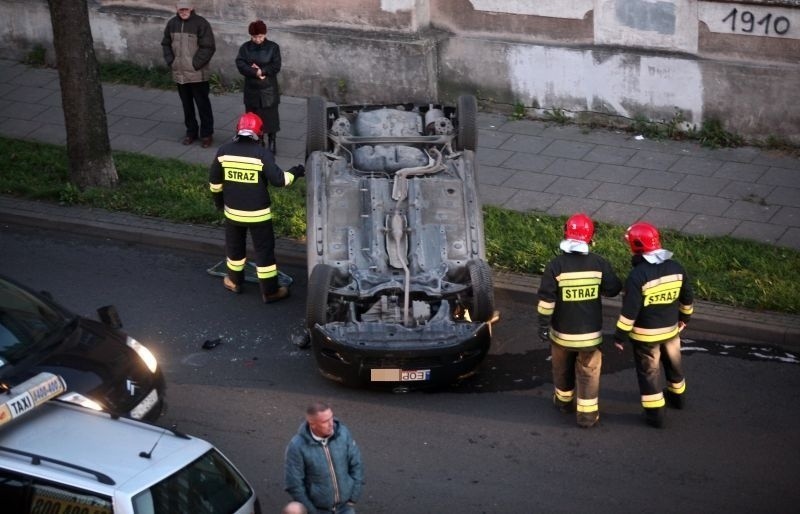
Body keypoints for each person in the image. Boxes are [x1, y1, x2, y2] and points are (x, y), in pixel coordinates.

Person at [208, 112, 304, 303]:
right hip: (258, 215)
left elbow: (214, 183)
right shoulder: (262, 154)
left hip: (233, 213)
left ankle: (234, 282)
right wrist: (296, 171)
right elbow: (280, 180)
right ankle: (270, 292)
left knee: (234, 249)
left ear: (238, 131)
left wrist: (220, 204)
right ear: (259, 134)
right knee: (264, 252)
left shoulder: (223, 151)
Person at [537, 213, 622, 428]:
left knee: (561, 369)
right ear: (591, 238)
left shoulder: (555, 266)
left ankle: (564, 403)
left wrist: (542, 325)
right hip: (590, 337)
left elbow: (547, 301)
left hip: (562, 335)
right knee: (589, 373)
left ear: (565, 234)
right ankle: (587, 416)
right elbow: (613, 289)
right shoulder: (599, 263)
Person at [614, 221, 694, 428]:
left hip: (645, 337)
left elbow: (629, 312)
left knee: (649, 374)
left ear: (636, 246)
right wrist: (685, 319)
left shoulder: (637, 276)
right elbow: (687, 299)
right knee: (674, 365)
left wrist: (620, 336)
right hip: (671, 331)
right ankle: (678, 400)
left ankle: (655, 415)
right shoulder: (677, 268)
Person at [285, 401, 364, 514]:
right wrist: (312, 511)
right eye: (325, 421)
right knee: (293, 509)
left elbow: (356, 464)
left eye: (331, 418)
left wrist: (354, 496)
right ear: (312, 424)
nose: (331, 424)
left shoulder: (343, 433)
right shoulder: (297, 447)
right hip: (318, 510)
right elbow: (294, 484)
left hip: (345, 508)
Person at [162, 2, 216, 148]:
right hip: (179, 74)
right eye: (181, 9)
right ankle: (191, 132)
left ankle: (207, 134)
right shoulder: (172, 23)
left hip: (197, 74)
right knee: (187, 105)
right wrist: (171, 61)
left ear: (192, 8)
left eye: (186, 9)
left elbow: (208, 47)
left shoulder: (201, 23)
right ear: (176, 9)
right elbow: (166, 44)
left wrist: (194, 65)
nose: (183, 12)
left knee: (202, 105)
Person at [236, 20, 282, 154]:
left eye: (260, 36)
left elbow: (276, 66)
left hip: (268, 89)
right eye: (255, 37)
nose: (258, 40)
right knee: (253, 117)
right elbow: (240, 64)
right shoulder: (245, 48)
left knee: (271, 118)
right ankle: (259, 140)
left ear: (265, 34)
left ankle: (272, 140)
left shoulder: (273, 47)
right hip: (252, 89)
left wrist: (262, 71)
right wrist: (255, 72)